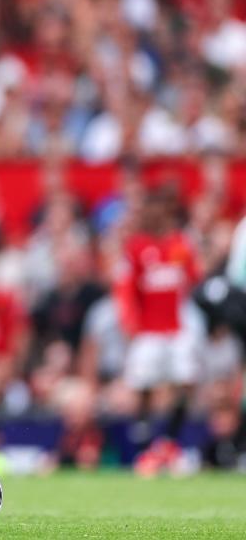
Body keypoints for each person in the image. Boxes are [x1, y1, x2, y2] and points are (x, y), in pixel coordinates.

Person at [116, 187, 201, 476]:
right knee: (143, 388)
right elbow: (126, 287)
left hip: (178, 329)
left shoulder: (181, 244)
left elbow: (193, 279)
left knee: (185, 383)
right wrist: (129, 321)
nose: (152, 215)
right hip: (148, 331)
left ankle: (170, 445)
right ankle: (143, 450)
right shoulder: (137, 247)